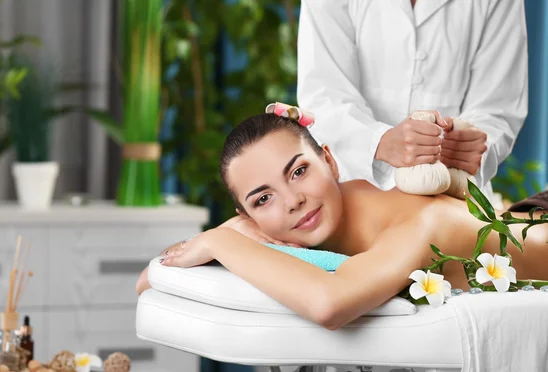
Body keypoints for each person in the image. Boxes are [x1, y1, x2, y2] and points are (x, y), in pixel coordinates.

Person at [136, 113, 548, 325]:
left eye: (299, 171)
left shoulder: (416, 226)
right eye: (263, 199)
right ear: (246, 215)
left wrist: (221, 241)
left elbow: (328, 305)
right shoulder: (318, 212)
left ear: (330, 161)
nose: (293, 201)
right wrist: (233, 231)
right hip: (514, 214)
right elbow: (149, 280)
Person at [296, 0, 528, 201]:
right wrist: (378, 142)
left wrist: (474, 145)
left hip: (453, 203)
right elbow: (323, 95)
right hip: (355, 195)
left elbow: (498, 107)